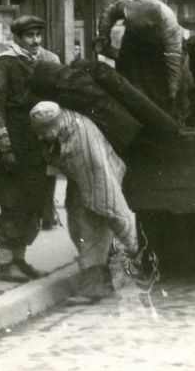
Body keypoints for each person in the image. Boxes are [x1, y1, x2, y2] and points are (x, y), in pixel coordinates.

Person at [29, 101, 141, 305]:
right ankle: (104, 284)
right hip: (82, 178)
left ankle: (93, 289)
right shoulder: (64, 124)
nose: (40, 137)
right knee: (77, 226)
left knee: (92, 231)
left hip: (99, 177)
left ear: (55, 124)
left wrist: (130, 240)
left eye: (44, 132)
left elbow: (108, 197)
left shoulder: (81, 141)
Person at [0, 15, 60, 283]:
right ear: (17, 38)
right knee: (12, 202)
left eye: (38, 35)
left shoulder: (40, 61)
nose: (36, 40)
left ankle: (19, 259)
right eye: (30, 36)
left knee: (32, 201)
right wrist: (4, 145)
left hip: (34, 143)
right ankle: (5, 264)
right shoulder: (3, 64)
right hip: (14, 142)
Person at [94, 0, 192, 119]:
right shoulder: (127, 5)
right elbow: (109, 13)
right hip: (135, 40)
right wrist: (104, 35)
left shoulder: (168, 24)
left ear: (150, 23)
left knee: (164, 87)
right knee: (128, 77)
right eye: (130, 24)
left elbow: (173, 61)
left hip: (159, 48)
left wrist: (172, 90)